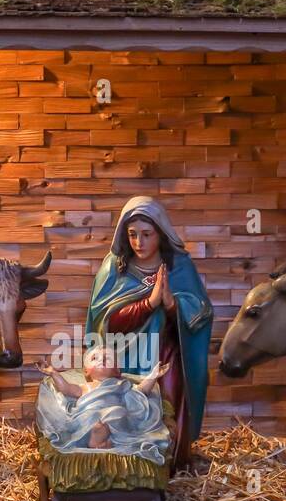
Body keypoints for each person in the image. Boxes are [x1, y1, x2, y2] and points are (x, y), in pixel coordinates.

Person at [86, 196, 213, 470]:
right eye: (132, 235)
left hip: (164, 356)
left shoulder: (178, 267)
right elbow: (104, 322)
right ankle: (127, 468)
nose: (139, 243)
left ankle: (166, 465)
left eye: (146, 234)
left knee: (165, 407)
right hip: (124, 357)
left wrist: (170, 304)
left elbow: (200, 313)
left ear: (161, 233)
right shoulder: (113, 268)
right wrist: (148, 304)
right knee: (122, 412)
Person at [37, 346, 171, 463]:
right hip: (89, 416)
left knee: (119, 413)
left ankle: (106, 440)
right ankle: (96, 438)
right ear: (86, 371)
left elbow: (141, 391)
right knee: (92, 418)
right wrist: (53, 373)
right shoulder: (85, 387)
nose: (101, 360)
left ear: (117, 371)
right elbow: (65, 388)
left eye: (107, 358)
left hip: (114, 416)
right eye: (95, 358)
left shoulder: (121, 385)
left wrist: (153, 376)